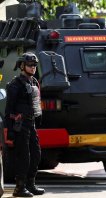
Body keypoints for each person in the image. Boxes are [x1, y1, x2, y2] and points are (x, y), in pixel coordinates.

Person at [5, 52, 45, 197]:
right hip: (19, 125)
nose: (33, 67)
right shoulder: (15, 85)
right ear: (22, 66)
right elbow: (9, 109)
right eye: (30, 65)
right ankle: (19, 188)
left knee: (36, 154)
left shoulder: (34, 81)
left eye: (35, 65)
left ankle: (30, 184)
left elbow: (36, 102)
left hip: (31, 123)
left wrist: (38, 118)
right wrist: (9, 130)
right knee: (24, 156)